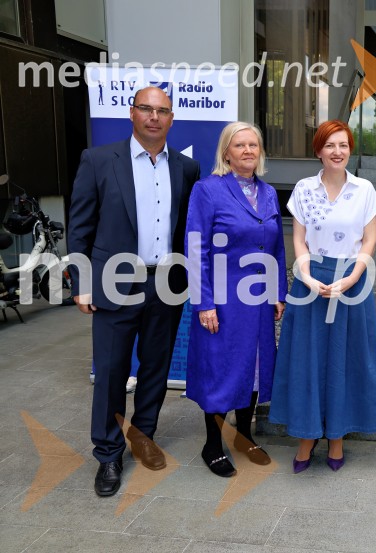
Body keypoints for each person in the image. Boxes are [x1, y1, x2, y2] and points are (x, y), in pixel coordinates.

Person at [68, 86, 201, 497]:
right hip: (113, 283)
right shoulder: (98, 160)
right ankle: (108, 454)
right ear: (132, 113)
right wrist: (82, 282)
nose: (154, 117)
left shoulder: (186, 168)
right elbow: (80, 227)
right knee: (111, 371)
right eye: (146, 108)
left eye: (162, 111)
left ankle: (143, 437)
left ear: (172, 118)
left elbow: (187, 230)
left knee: (156, 368)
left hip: (166, 283)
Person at [269, 120, 376, 473]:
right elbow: (299, 239)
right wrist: (305, 276)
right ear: (319, 150)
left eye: (343, 145)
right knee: (307, 359)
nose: (338, 152)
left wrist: (353, 277)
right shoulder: (304, 189)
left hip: (353, 281)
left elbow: (370, 240)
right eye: (330, 145)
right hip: (311, 281)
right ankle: (306, 436)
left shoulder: (364, 189)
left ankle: (337, 436)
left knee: (345, 359)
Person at [185, 122, 287, 477]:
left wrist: (278, 292)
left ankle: (245, 436)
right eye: (239, 145)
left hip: (258, 300)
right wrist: (204, 302)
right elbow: (196, 249)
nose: (247, 151)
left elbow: (276, 247)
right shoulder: (207, 190)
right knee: (220, 369)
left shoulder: (269, 193)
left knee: (253, 367)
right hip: (223, 300)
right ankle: (212, 444)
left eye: (253, 145)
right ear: (226, 152)